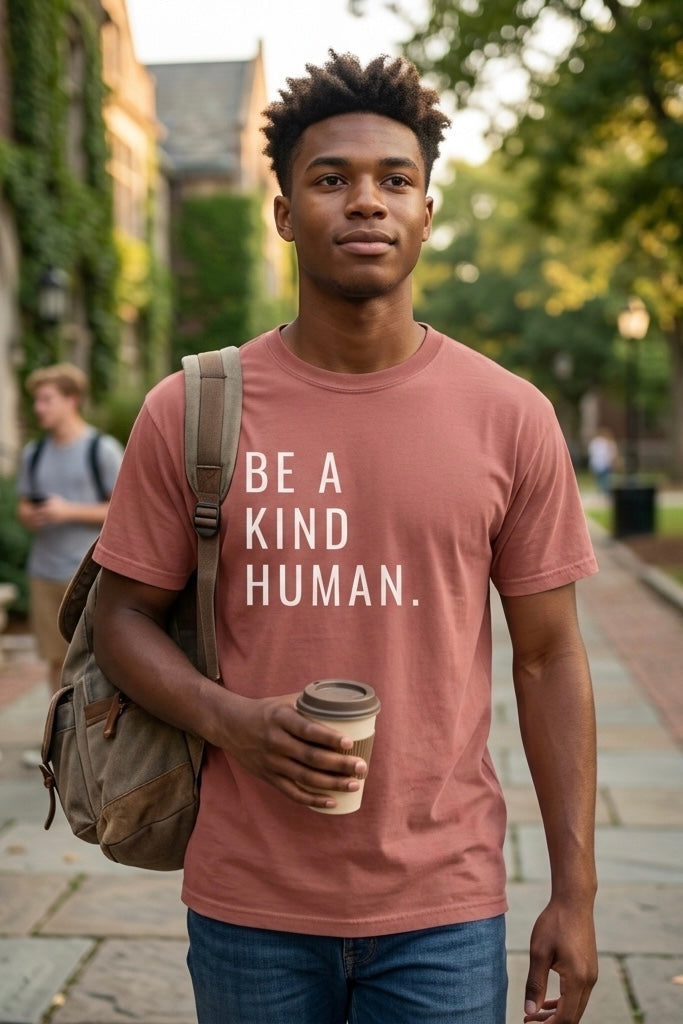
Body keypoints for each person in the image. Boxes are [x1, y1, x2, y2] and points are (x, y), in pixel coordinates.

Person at [92, 52, 599, 1024]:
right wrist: (228, 719)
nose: (364, 201)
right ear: (283, 212)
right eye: (330, 179)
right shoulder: (191, 408)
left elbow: (546, 659)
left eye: (392, 180)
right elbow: (120, 621)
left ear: (425, 212)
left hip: (442, 901)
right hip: (249, 898)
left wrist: (573, 895)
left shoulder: (510, 416)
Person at [17, 363, 123, 745]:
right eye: (36, 400)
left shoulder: (102, 449)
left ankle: (94, 741)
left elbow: (128, 507)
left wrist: (69, 511)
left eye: (47, 399)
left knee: (93, 662)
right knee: (52, 660)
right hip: (43, 571)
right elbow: (24, 507)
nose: (39, 408)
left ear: (71, 400)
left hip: (87, 575)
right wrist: (31, 514)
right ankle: (58, 741)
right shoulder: (34, 453)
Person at [587, 427, 619, 494]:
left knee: (601, 479)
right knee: (605, 479)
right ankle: (603, 491)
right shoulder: (608, 442)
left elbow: (591, 452)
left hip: (598, 463)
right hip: (604, 463)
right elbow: (612, 454)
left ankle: (601, 490)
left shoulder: (595, 442)